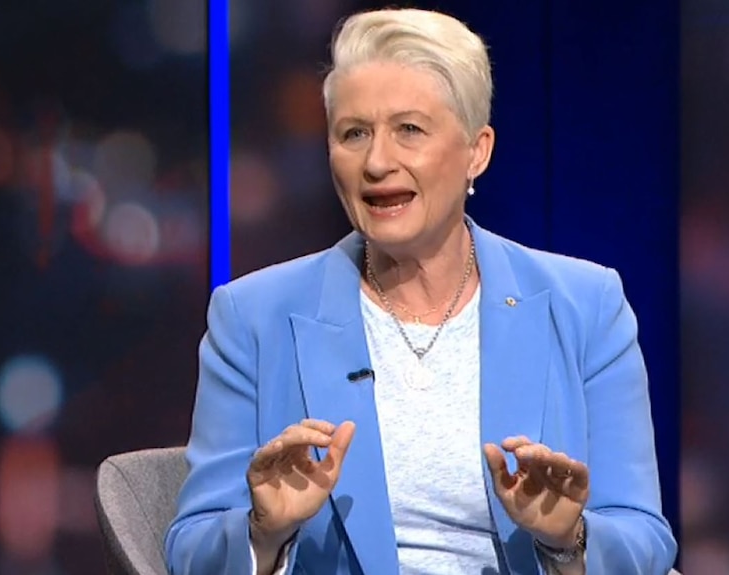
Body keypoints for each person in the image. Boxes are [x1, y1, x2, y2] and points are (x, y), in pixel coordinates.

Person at [165, 7, 678, 575]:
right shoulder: (252, 317)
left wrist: (567, 539)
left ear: (476, 151)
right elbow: (191, 551)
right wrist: (266, 532)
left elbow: (644, 542)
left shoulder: (586, 306)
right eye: (354, 133)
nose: (377, 162)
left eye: (409, 130)